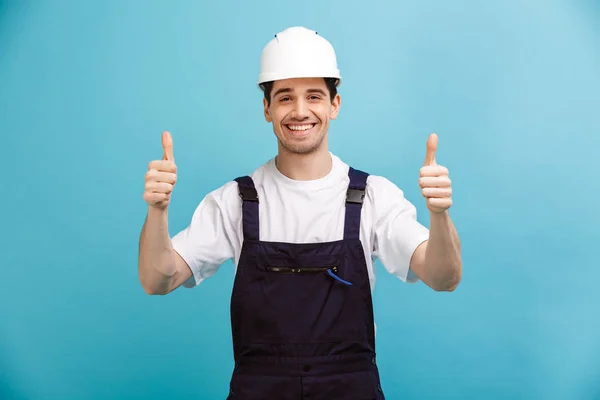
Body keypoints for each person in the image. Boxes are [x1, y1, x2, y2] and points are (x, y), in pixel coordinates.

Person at [138, 26, 462, 400]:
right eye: (285, 97)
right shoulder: (234, 200)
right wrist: (157, 211)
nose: (300, 111)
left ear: (334, 105)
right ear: (267, 108)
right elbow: (156, 281)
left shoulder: (373, 196)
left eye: (314, 96)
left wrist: (440, 216)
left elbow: (443, 278)